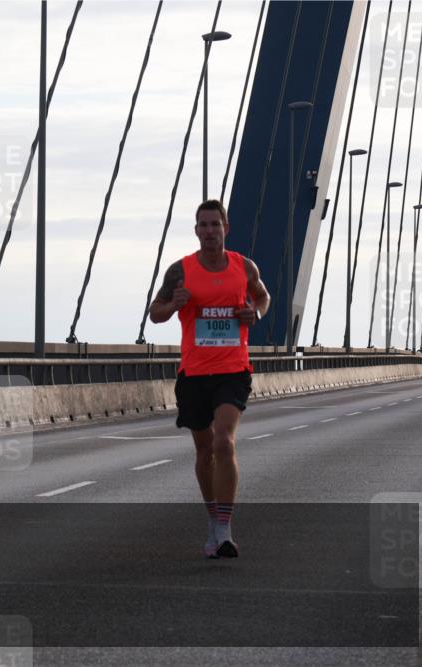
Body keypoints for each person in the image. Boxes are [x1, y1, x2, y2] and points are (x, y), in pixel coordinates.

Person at [149, 199, 270, 558]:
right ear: (196, 230)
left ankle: (225, 528)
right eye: (203, 225)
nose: (209, 231)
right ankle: (213, 519)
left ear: (226, 229)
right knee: (204, 452)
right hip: (194, 374)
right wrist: (174, 305)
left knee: (224, 443)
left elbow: (263, 297)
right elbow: (155, 313)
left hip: (233, 370)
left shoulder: (243, 267)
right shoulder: (181, 271)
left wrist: (255, 315)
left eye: (215, 224)